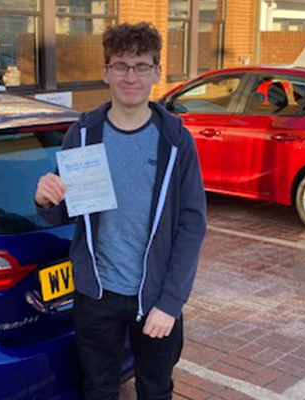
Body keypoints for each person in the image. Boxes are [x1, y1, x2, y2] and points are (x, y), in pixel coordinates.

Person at [35, 21, 206, 400]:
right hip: (97, 295)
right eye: (121, 66)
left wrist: (170, 303)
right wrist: (46, 200)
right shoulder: (82, 133)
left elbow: (191, 227)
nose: (131, 76)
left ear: (156, 72)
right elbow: (71, 211)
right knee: (98, 390)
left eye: (141, 66)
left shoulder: (176, 141)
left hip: (155, 297)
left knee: (155, 390)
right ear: (106, 72)